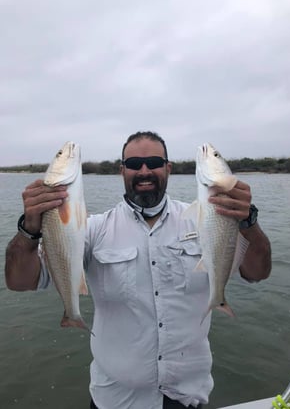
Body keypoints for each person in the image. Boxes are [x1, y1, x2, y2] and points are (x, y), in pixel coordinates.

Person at [5, 131, 271, 409]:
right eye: (133, 164)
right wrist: (29, 231)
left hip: (187, 398)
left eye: (154, 162)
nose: (144, 171)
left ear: (168, 168)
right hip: (115, 400)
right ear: (122, 171)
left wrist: (247, 222)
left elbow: (257, 273)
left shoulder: (203, 221)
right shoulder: (92, 229)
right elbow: (19, 281)